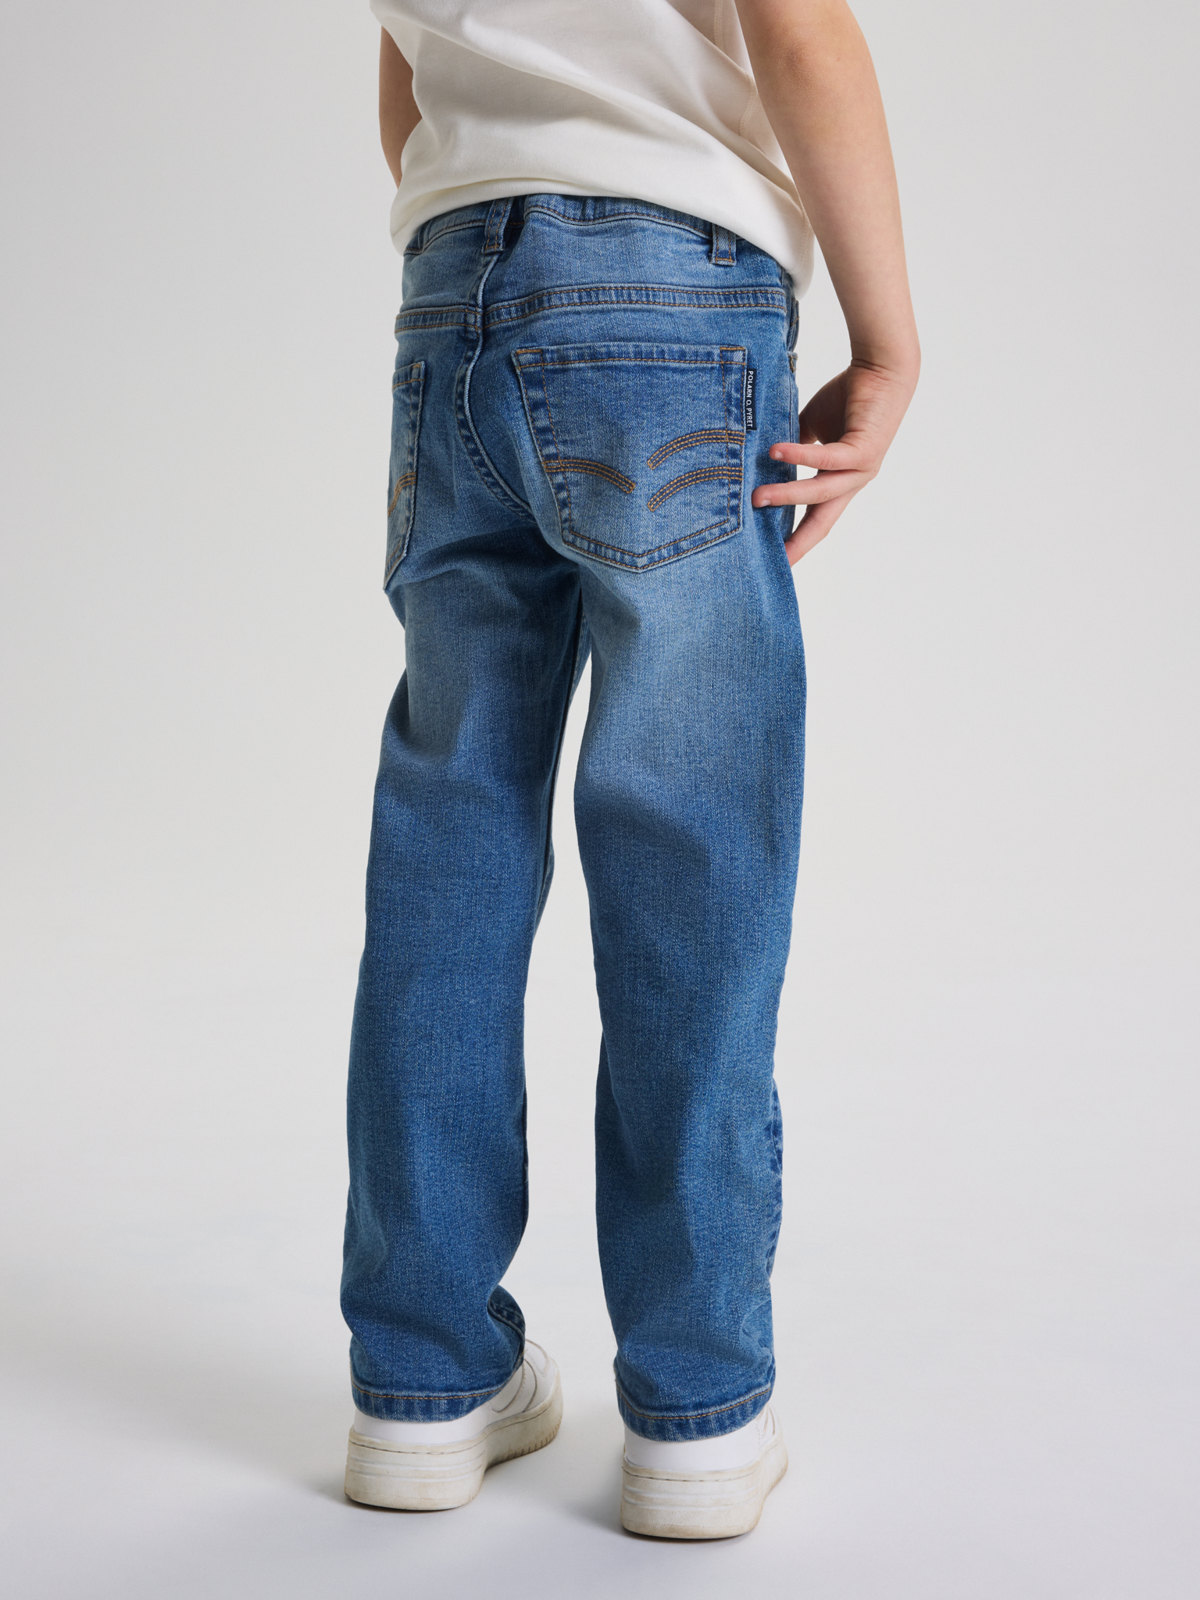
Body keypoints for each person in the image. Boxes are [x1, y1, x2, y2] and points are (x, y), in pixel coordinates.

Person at [339, 0, 918, 1541]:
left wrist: (503, 207)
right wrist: (890, 342)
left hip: (448, 301)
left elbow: (406, 84)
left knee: (451, 849)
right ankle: (696, 1408)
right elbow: (797, 30)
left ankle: (422, 1384)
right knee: (688, 853)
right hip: (674, 296)